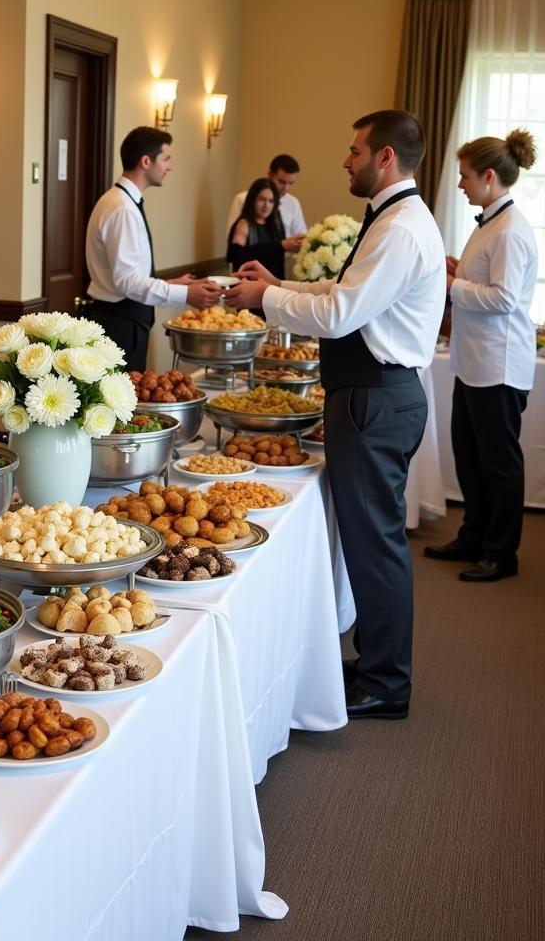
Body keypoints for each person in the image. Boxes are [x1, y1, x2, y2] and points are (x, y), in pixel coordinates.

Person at [226, 110, 445, 720]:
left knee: (376, 545)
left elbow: (342, 317)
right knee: (370, 540)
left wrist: (265, 300)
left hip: (376, 398)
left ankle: (387, 682)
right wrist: (280, 282)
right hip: (371, 394)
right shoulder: (394, 219)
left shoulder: (400, 228)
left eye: (354, 151)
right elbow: (345, 297)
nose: (345, 161)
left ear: (384, 158)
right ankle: (377, 662)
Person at [424, 130, 538, 582]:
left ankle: (500, 553)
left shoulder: (510, 230)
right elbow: (484, 283)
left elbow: (506, 299)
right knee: (469, 458)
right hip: (473, 363)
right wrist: (458, 270)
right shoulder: (489, 223)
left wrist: (453, 285)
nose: (460, 184)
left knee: (500, 466)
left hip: (500, 365)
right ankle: (472, 536)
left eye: (465, 176)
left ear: (489, 176)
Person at [85, 126, 222, 370]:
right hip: (120, 326)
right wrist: (187, 295)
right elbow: (126, 281)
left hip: (123, 321)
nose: (170, 166)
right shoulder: (122, 209)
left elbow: (129, 274)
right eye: (166, 158)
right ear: (146, 161)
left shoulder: (121, 201)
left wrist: (172, 283)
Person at [227, 153, 308, 277]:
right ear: (270, 174)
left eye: (290, 183)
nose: (285, 188)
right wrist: (281, 245)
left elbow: (299, 238)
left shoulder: (289, 206)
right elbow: (235, 253)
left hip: (275, 275)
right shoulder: (242, 207)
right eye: (281, 182)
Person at [227, 177, 286, 281]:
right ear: (252, 199)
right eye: (261, 199)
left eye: (271, 201)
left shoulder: (275, 225)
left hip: (274, 287)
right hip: (249, 286)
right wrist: (280, 246)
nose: (266, 205)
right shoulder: (243, 225)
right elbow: (236, 259)